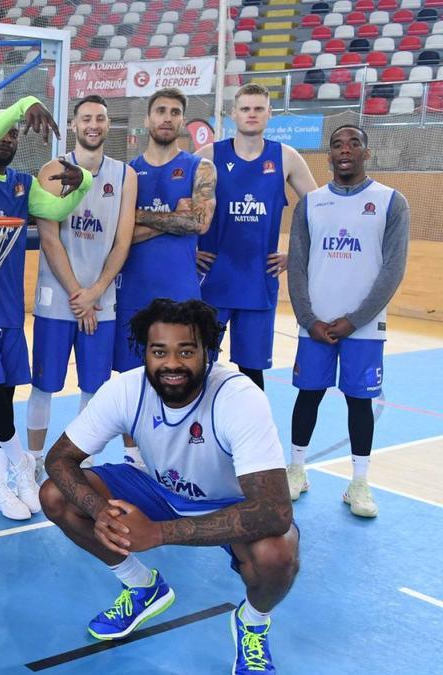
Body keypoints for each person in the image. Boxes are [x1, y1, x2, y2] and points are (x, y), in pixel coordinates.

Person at [40, 298, 298, 675]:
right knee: (55, 494)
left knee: (277, 555)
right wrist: (101, 514)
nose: (172, 363)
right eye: (159, 351)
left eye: (186, 351)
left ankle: (253, 622)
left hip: (230, 503)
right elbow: (59, 459)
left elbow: (275, 511)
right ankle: (142, 587)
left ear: (208, 353)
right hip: (158, 489)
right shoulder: (127, 389)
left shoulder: (238, 398)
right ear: (145, 352)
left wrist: (159, 533)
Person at [0, 96, 90, 520]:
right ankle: (24, 466)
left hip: (9, 307)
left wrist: (80, 182)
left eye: (13, 134)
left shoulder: (22, 184)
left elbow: (58, 208)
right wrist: (23, 104)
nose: (7, 139)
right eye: (1, 133)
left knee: (5, 395)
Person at [285, 125, 409, 518]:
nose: (345, 150)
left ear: (365, 154)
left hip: (365, 329)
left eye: (354, 143)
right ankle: (297, 469)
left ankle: (359, 482)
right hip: (315, 326)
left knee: (360, 402)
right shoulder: (311, 203)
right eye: (337, 144)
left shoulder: (391, 202)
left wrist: (354, 320)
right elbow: (297, 266)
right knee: (309, 395)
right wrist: (309, 318)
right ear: (328, 156)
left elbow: (393, 270)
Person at [27, 94, 135, 481]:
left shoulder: (125, 175)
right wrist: (79, 295)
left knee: (95, 388)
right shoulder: (52, 169)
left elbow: (122, 241)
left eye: (101, 118)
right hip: (58, 300)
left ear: (109, 125)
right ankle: (34, 462)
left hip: (101, 300)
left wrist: (96, 292)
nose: (94, 124)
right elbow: (50, 238)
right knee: (44, 385)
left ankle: (78, 462)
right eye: (86, 118)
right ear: (73, 125)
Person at [117, 88, 216, 468]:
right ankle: (133, 457)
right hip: (133, 291)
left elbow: (197, 221)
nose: (167, 117)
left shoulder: (199, 168)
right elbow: (118, 235)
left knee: (183, 376)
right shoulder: (128, 173)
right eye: (160, 110)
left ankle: (183, 456)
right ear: (147, 119)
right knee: (132, 379)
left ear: (182, 122)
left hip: (181, 294)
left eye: (175, 112)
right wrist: (172, 220)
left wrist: (138, 217)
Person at [196, 83, 317, 390]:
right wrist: (187, 252)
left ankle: (252, 435)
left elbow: (321, 210)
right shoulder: (208, 155)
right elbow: (176, 204)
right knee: (198, 364)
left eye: (258, 109)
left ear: (269, 114)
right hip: (211, 280)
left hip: (258, 281)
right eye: (246, 109)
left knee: (251, 373)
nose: (252, 114)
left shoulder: (286, 157)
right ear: (233, 114)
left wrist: (298, 255)